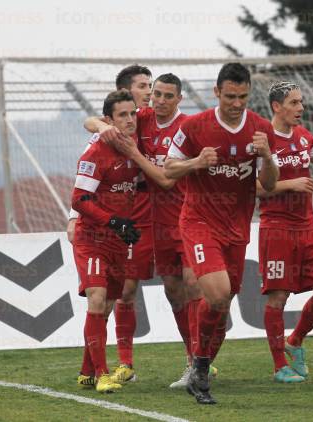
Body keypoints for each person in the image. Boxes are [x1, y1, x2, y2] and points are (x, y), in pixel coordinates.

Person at [164, 62, 279, 404]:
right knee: (217, 294)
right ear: (217, 93)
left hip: (237, 228)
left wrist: (268, 156)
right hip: (199, 223)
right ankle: (199, 370)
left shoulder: (260, 130)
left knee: (223, 304)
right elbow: (169, 168)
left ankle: (199, 367)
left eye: (242, 96)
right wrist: (195, 163)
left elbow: (269, 185)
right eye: (230, 96)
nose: (236, 103)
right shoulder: (195, 127)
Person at [99, 73, 211, 388]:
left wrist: (136, 155)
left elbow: (166, 179)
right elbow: (93, 121)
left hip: (190, 217)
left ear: (179, 99)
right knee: (172, 290)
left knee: (193, 286)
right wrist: (102, 126)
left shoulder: (189, 127)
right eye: (156, 94)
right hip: (156, 221)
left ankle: (200, 358)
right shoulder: (143, 119)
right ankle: (186, 359)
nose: (158, 100)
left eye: (166, 95)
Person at [79, 64, 167, 384]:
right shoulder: (115, 127)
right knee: (119, 293)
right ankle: (121, 364)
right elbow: (91, 124)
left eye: (151, 86)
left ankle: (196, 360)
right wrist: (76, 217)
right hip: (128, 217)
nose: (150, 92)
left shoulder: (152, 117)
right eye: (144, 86)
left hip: (161, 213)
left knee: (181, 285)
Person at [257, 81, 313, 383]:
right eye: (294, 103)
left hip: (308, 227)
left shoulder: (304, 137)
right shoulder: (261, 141)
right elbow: (252, 188)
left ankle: (294, 340)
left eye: (301, 103)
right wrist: (289, 184)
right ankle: (277, 365)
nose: (301, 108)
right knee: (278, 299)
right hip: (277, 229)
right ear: (277, 107)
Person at [71, 89, 141, 393]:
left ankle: (86, 370)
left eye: (132, 114)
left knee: (108, 305)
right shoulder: (96, 152)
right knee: (97, 299)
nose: (129, 120)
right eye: (122, 115)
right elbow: (79, 199)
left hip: (117, 241)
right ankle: (102, 374)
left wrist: (127, 226)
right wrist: (113, 221)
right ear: (108, 120)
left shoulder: (134, 148)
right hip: (93, 238)